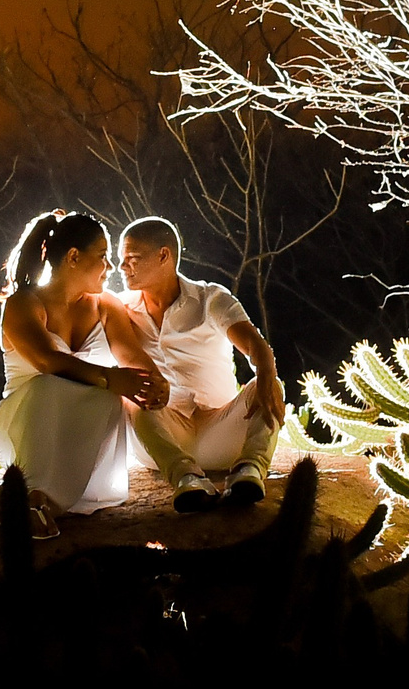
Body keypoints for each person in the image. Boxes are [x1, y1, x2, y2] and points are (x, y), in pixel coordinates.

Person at [0, 209, 168, 539]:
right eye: (102, 257)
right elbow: (48, 361)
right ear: (73, 257)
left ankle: (43, 503)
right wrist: (112, 378)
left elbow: (130, 354)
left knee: (108, 401)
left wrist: (154, 380)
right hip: (27, 425)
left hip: (81, 433)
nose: (110, 267)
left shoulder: (104, 304)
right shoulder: (23, 304)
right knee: (46, 387)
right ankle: (31, 495)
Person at [113, 216, 284, 512]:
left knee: (268, 382)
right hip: (164, 437)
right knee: (133, 396)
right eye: (121, 260)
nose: (122, 267)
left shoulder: (209, 299)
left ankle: (249, 471)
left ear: (164, 255)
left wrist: (267, 373)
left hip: (220, 433)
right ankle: (186, 479)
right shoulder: (121, 309)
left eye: (132, 259)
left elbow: (256, 347)